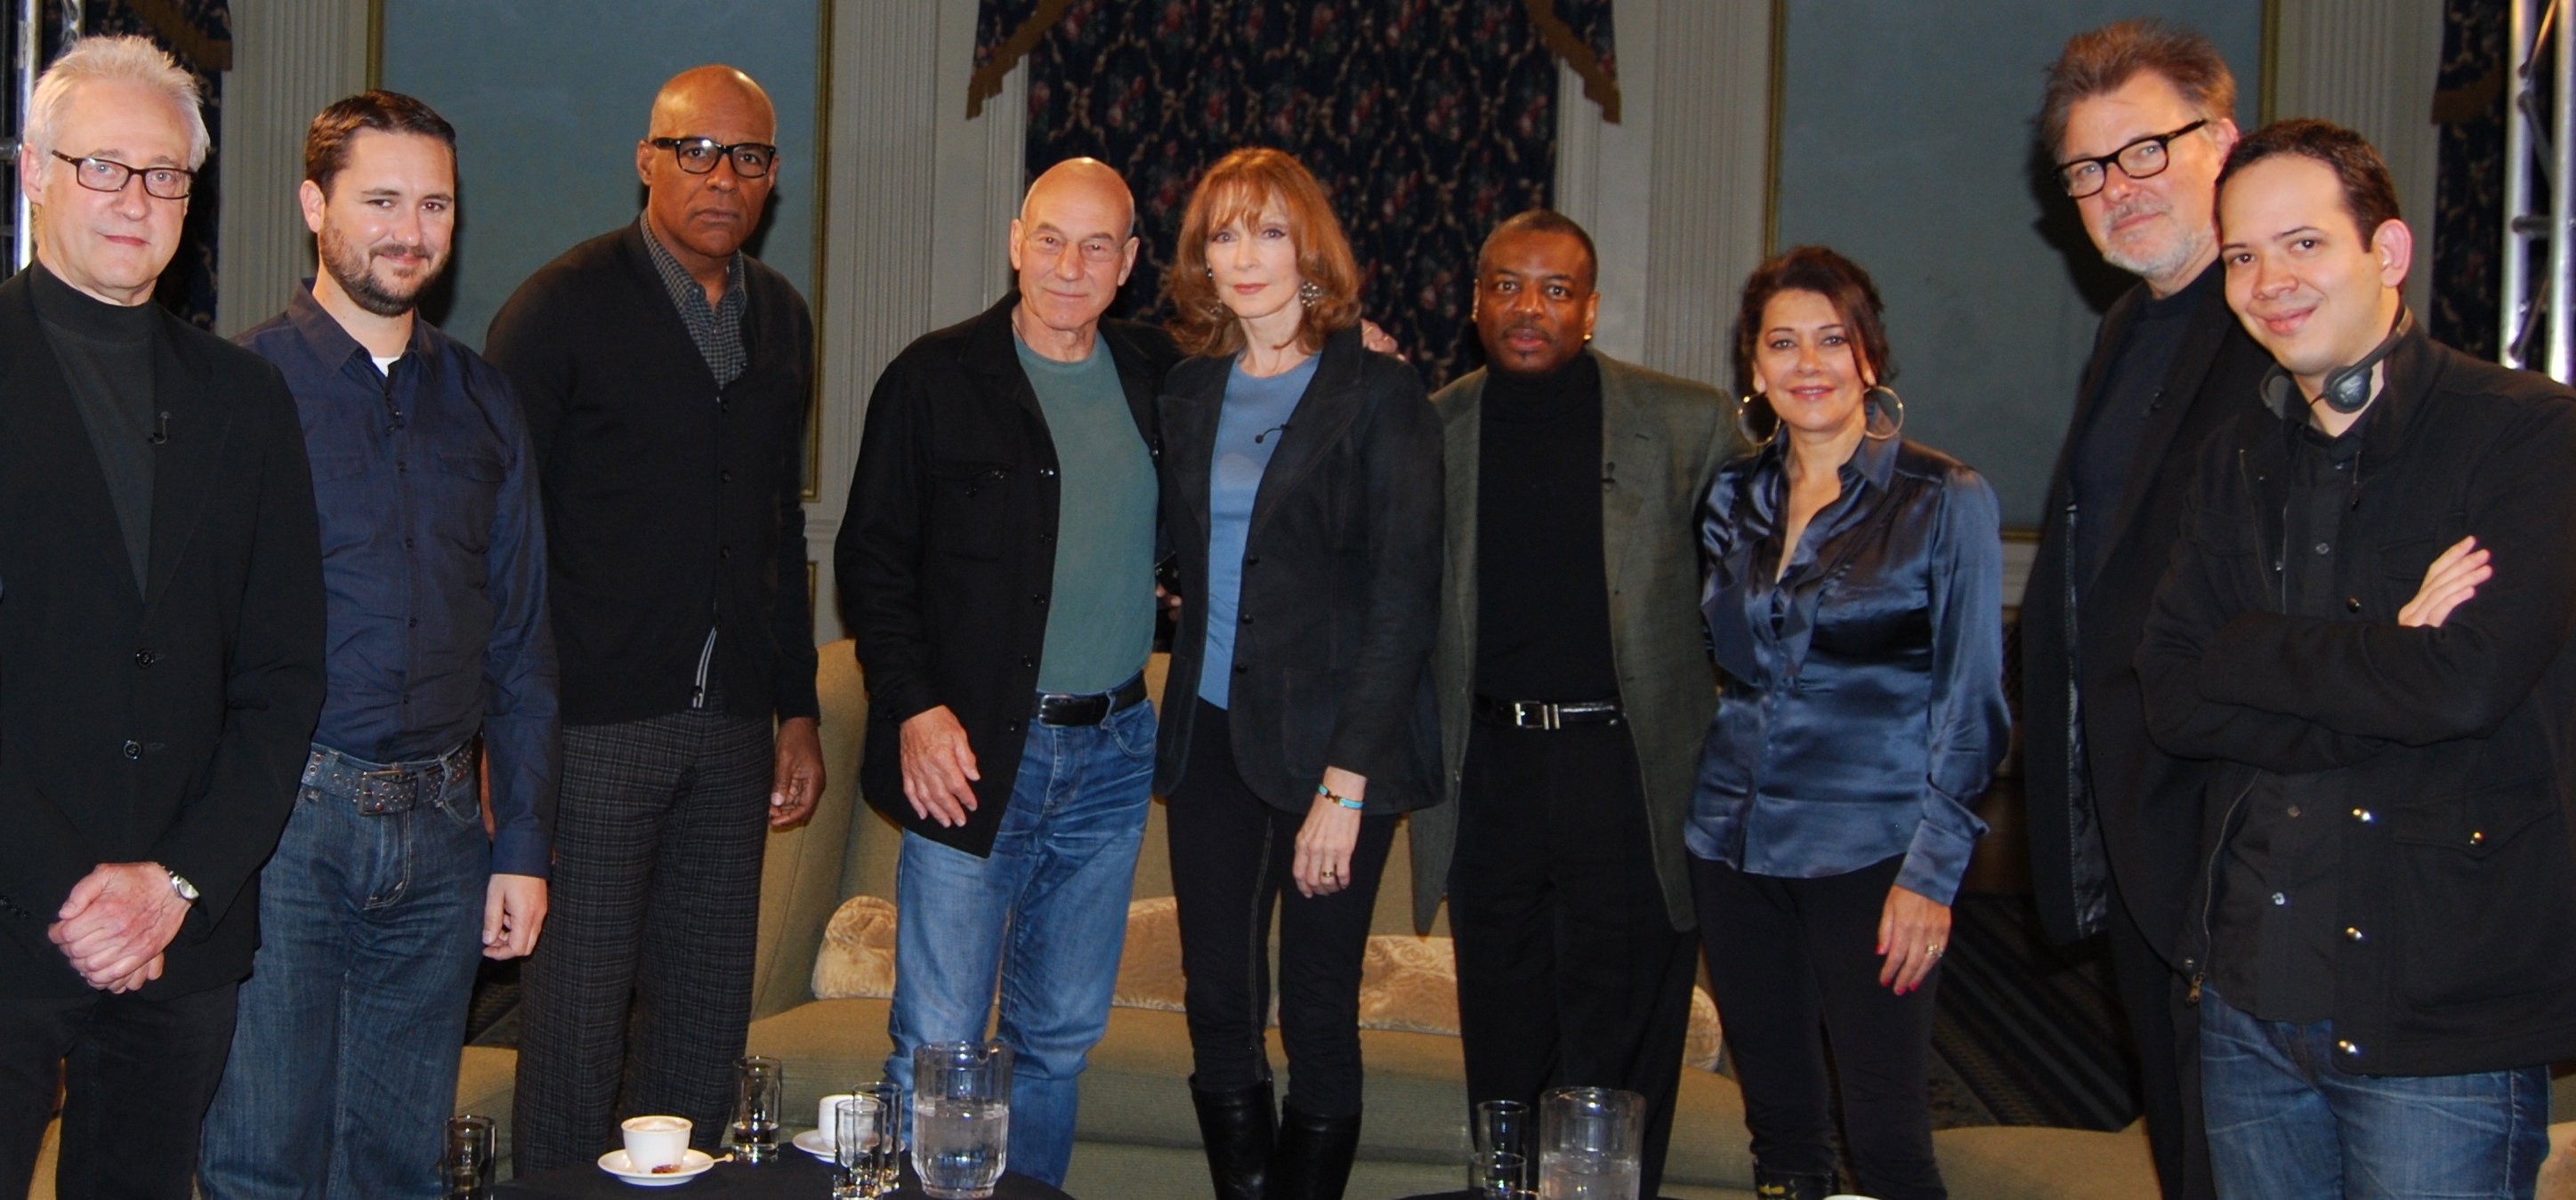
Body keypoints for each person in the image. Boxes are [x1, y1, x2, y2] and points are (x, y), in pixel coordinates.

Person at [2138, 119, 2576, 1199]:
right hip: (2244, 1000)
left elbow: (2467, 683)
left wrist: (2253, 654)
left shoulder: (2525, 432)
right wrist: (2385, 654)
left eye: (2303, 245)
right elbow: (2176, 693)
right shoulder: (2235, 451)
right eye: (2241, 255)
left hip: (2434, 1019)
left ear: (2386, 252)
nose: (2267, 281)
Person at [197, 92, 556, 1199]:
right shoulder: (240, 391)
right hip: (283, 829)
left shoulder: (486, 402)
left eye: (434, 203)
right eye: (382, 200)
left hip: (448, 837)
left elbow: (522, 639)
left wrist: (524, 845)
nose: (412, 229)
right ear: (316, 206)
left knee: (400, 1166)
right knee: (264, 1157)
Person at [0, 35, 326, 1197]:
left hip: (183, 932)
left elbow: (285, 676)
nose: (137, 201)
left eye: (166, 176)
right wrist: (71, 894)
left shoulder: (245, 398)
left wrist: (173, 884)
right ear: (32, 171)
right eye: (104, 168)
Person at [489, 64, 823, 1172]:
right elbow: (502, 541)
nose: (723, 176)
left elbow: (778, 525)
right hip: (591, 728)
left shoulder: (780, 315)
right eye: (698, 151)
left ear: (773, 178)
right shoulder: (559, 308)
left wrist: (797, 709)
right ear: (647, 160)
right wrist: (503, 732)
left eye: (750, 158)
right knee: (576, 1027)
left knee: (702, 1023)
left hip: (731, 733)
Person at [837, 157, 1175, 1187]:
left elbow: (1277, 406)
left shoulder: (1163, 380)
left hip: (1114, 753)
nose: (1071, 266)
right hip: (971, 748)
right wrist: (915, 705)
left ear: (1128, 263)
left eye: (1098, 244)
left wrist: (1355, 343)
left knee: (1060, 1038)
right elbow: (872, 562)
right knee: (937, 1038)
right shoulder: (934, 379)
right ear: (1015, 241)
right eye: (1051, 239)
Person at [1403, 208, 1732, 1199]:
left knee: (1619, 1045)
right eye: (1507, 285)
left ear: (1590, 309)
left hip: (1625, 775)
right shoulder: (1434, 426)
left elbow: (1774, 566)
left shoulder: (1688, 422)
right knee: (1503, 1037)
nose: (1528, 308)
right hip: (1491, 773)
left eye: (1553, 290)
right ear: (1475, 303)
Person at [1153, 147, 1441, 1200]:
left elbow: (1406, 600)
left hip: (1335, 749)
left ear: (1309, 248)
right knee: (1218, 998)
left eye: (1268, 230)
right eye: (1223, 234)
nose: (1246, 255)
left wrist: (1345, 785)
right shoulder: (1187, 390)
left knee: (1316, 1004)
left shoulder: (1381, 390)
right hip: (1211, 734)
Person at [1692, 246, 2007, 1200]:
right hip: (1732, 844)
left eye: (1832, 338)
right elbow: (1731, 666)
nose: (1808, 363)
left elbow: (1974, 703)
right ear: (1753, 367)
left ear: (1870, 354)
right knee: (1780, 1130)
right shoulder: (1730, 498)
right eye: (1782, 343)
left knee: (1888, 1133)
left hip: (1873, 853)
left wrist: (1933, 876)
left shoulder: (1944, 498)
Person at [2020, 24, 2267, 1198]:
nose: (2111, 190)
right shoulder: (2125, 335)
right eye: (2083, 171)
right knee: (2188, 1153)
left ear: (2220, 141)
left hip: (2249, 842)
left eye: (2142, 151)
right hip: (2139, 835)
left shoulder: (2277, 317)